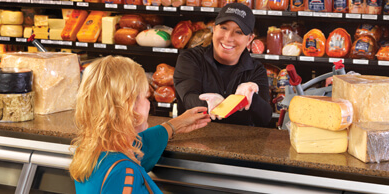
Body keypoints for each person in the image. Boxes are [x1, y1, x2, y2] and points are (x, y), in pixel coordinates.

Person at [69, 56, 211, 193]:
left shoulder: (89, 150)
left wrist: (176, 125)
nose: (149, 103)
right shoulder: (124, 173)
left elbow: (141, 144)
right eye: (145, 97)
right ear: (129, 107)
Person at [174, 3, 272, 127]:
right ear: (214, 29)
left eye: (238, 32)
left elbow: (265, 118)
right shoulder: (191, 59)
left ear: (249, 39)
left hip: (240, 143)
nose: (228, 37)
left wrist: (252, 97)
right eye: (224, 28)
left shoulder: (255, 70)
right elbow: (188, 98)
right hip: (195, 139)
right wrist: (210, 104)